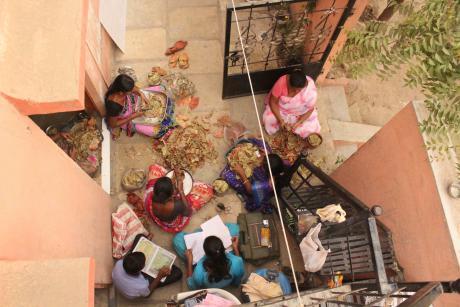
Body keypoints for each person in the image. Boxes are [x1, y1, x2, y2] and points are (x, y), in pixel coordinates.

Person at [140, 164, 213, 233]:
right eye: (173, 189)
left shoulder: (153, 194)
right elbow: (188, 212)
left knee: (154, 167)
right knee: (208, 191)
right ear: (172, 195)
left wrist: (175, 177)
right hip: (170, 219)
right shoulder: (176, 205)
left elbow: (164, 190)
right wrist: (181, 191)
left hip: (156, 213)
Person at [220, 136, 285, 213]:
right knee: (261, 145)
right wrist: (261, 152)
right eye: (264, 159)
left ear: (267, 171)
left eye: (262, 164)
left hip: (253, 189)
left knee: (228, 175)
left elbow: (250, 190)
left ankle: (243, 194)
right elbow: (260, 153)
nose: (260, 162)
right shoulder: (268, 161)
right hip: (258, 172)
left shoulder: (266, 184)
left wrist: (242, 174)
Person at [173, 225, 245, 290]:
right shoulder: (237, 261)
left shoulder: (199, 270)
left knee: (177, 239)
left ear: (206, 254)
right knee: (234, 227)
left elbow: (191, 285)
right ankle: (200, 231)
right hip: (228, 277)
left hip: (195, 263)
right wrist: (235, 248)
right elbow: (238, 276)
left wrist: (189, 261)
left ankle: (199, 232)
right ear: (223, 248)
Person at [105, 74, 176, 139]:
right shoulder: (113, 106)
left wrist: (142, 95)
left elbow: (135, 88)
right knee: (155, 131)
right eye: (129, 91)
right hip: (129, 117)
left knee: (161, 89)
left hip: (133, 100)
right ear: (121, 93)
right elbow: (113, 124)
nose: (132, 90)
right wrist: (134, 116)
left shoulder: (120, 84)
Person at [112, 235, 182, 299]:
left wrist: (145, 244)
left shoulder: (119, 264)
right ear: (140, 271)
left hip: (131, 280)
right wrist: (159, 276)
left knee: (140, 237)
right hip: (138, 287)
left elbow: (131, 260)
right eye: (144, 264)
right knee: (178, 273)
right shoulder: (142, 285)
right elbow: (147, 294)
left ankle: (141, 246)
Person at [263, 70, 320, 138]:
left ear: (305, 85)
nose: (296, 92)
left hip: (299, 112)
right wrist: (280, 120)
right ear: (288, 82)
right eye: (293, 89)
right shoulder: (281, 82)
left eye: (299, 90)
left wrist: (299, 122)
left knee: (311, 129)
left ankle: (296, 127)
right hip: (281, 109)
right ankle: (284, 124)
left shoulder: (310, 91)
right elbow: (273, 102)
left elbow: (310, 110)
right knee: (268, 119)